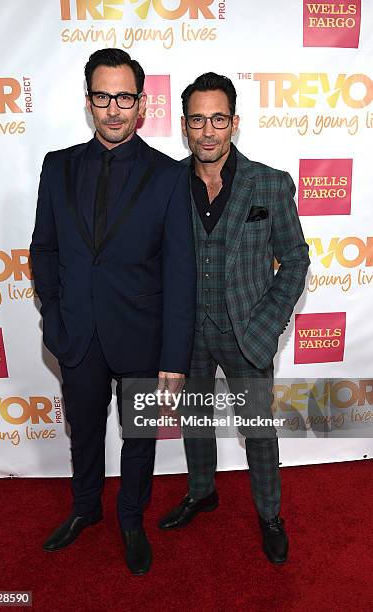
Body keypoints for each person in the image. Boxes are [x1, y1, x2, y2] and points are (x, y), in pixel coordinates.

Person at [29, 48, 196, 575]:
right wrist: (53, 319)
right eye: (103, 97)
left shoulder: (170, 176)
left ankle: (130, 517)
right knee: (83, 430)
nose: (114, 109)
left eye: (124, 97)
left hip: (143, 334)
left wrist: (175, 356)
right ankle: (85, 510)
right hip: (75, 332)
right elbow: (44, 249)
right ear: (88, 102)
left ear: (141, 104)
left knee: (139, 435)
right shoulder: (57, 167)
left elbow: (180, 271)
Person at [158, 73, 310, 564]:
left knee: (258, 430)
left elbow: (296, 259)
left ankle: (269, 514)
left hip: (248, 333)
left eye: (218, 119)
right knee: (195, 422)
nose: (208, 131)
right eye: (198, 120)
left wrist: (268, 326)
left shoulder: (270, 182)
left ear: (234, 123)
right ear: (184, 126)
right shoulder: (167, 185)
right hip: (188, 333)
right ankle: (202, 492)